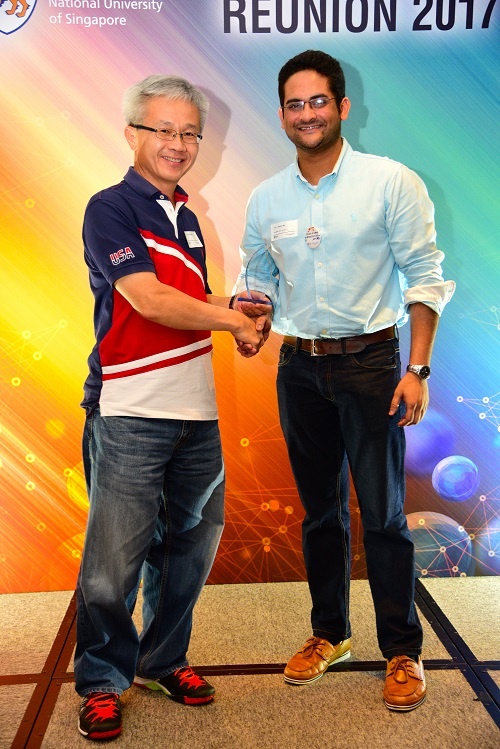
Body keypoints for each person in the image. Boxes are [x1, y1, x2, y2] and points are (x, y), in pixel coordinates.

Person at [233, 50, 455, 711]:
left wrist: (416, 368)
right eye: (295, 105)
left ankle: (402, 649)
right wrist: (252, 312)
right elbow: (257, 276)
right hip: (298, 368)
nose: (307, 114)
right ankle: (330, 633)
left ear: (342, 107)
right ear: (282, 115)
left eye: (318, 101)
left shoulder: (391, 182)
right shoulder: (265, 196)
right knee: (319, 513)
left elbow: (424, 273)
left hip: (371, 364)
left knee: (384, 516)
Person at [75, 74, 265, 741]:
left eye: (190, 133)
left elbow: (197, 302)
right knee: (112, 563)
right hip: (129, 408)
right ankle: (101, 679)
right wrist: (230, 322)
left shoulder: (189, 217)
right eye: (164, 130)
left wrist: (239, 315)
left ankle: (163, 659)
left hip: (197, 412)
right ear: (133, 133)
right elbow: (149, 301)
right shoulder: (111, 208)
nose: (178, 144)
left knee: (188, 550)